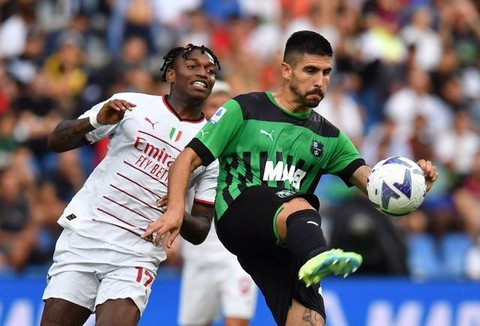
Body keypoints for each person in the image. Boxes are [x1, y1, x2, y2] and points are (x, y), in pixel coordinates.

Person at [143, 31, 439, 326]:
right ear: (286, 70)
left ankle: (312, 257)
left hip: (287, 242)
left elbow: (375, 185)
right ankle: (319, 255)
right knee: (300, 204)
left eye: (326, 73)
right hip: (240, 215)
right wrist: (174, 210)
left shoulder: (331, 138)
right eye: (310, 71)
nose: (319, 81)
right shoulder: (244, 110)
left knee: (309, 321)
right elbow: (187, 158)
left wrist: (413, 188)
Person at [40, 43, 221, 326]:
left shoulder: (211, 147)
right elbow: (56, 141)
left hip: (137, 252)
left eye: (210, 70)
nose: (203, 74)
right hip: (86, 235)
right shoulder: (131, 105)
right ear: (171, 75)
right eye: (193, 66)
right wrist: (93, 120)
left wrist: (175, 212)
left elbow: (200, 229)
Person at [176, 80, 258, 326]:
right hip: (198, 254)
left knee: (237, 320)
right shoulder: (188, 149)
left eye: (225, 107)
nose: (220, 112)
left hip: (236, 253)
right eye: (213, 106)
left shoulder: (250, 146)